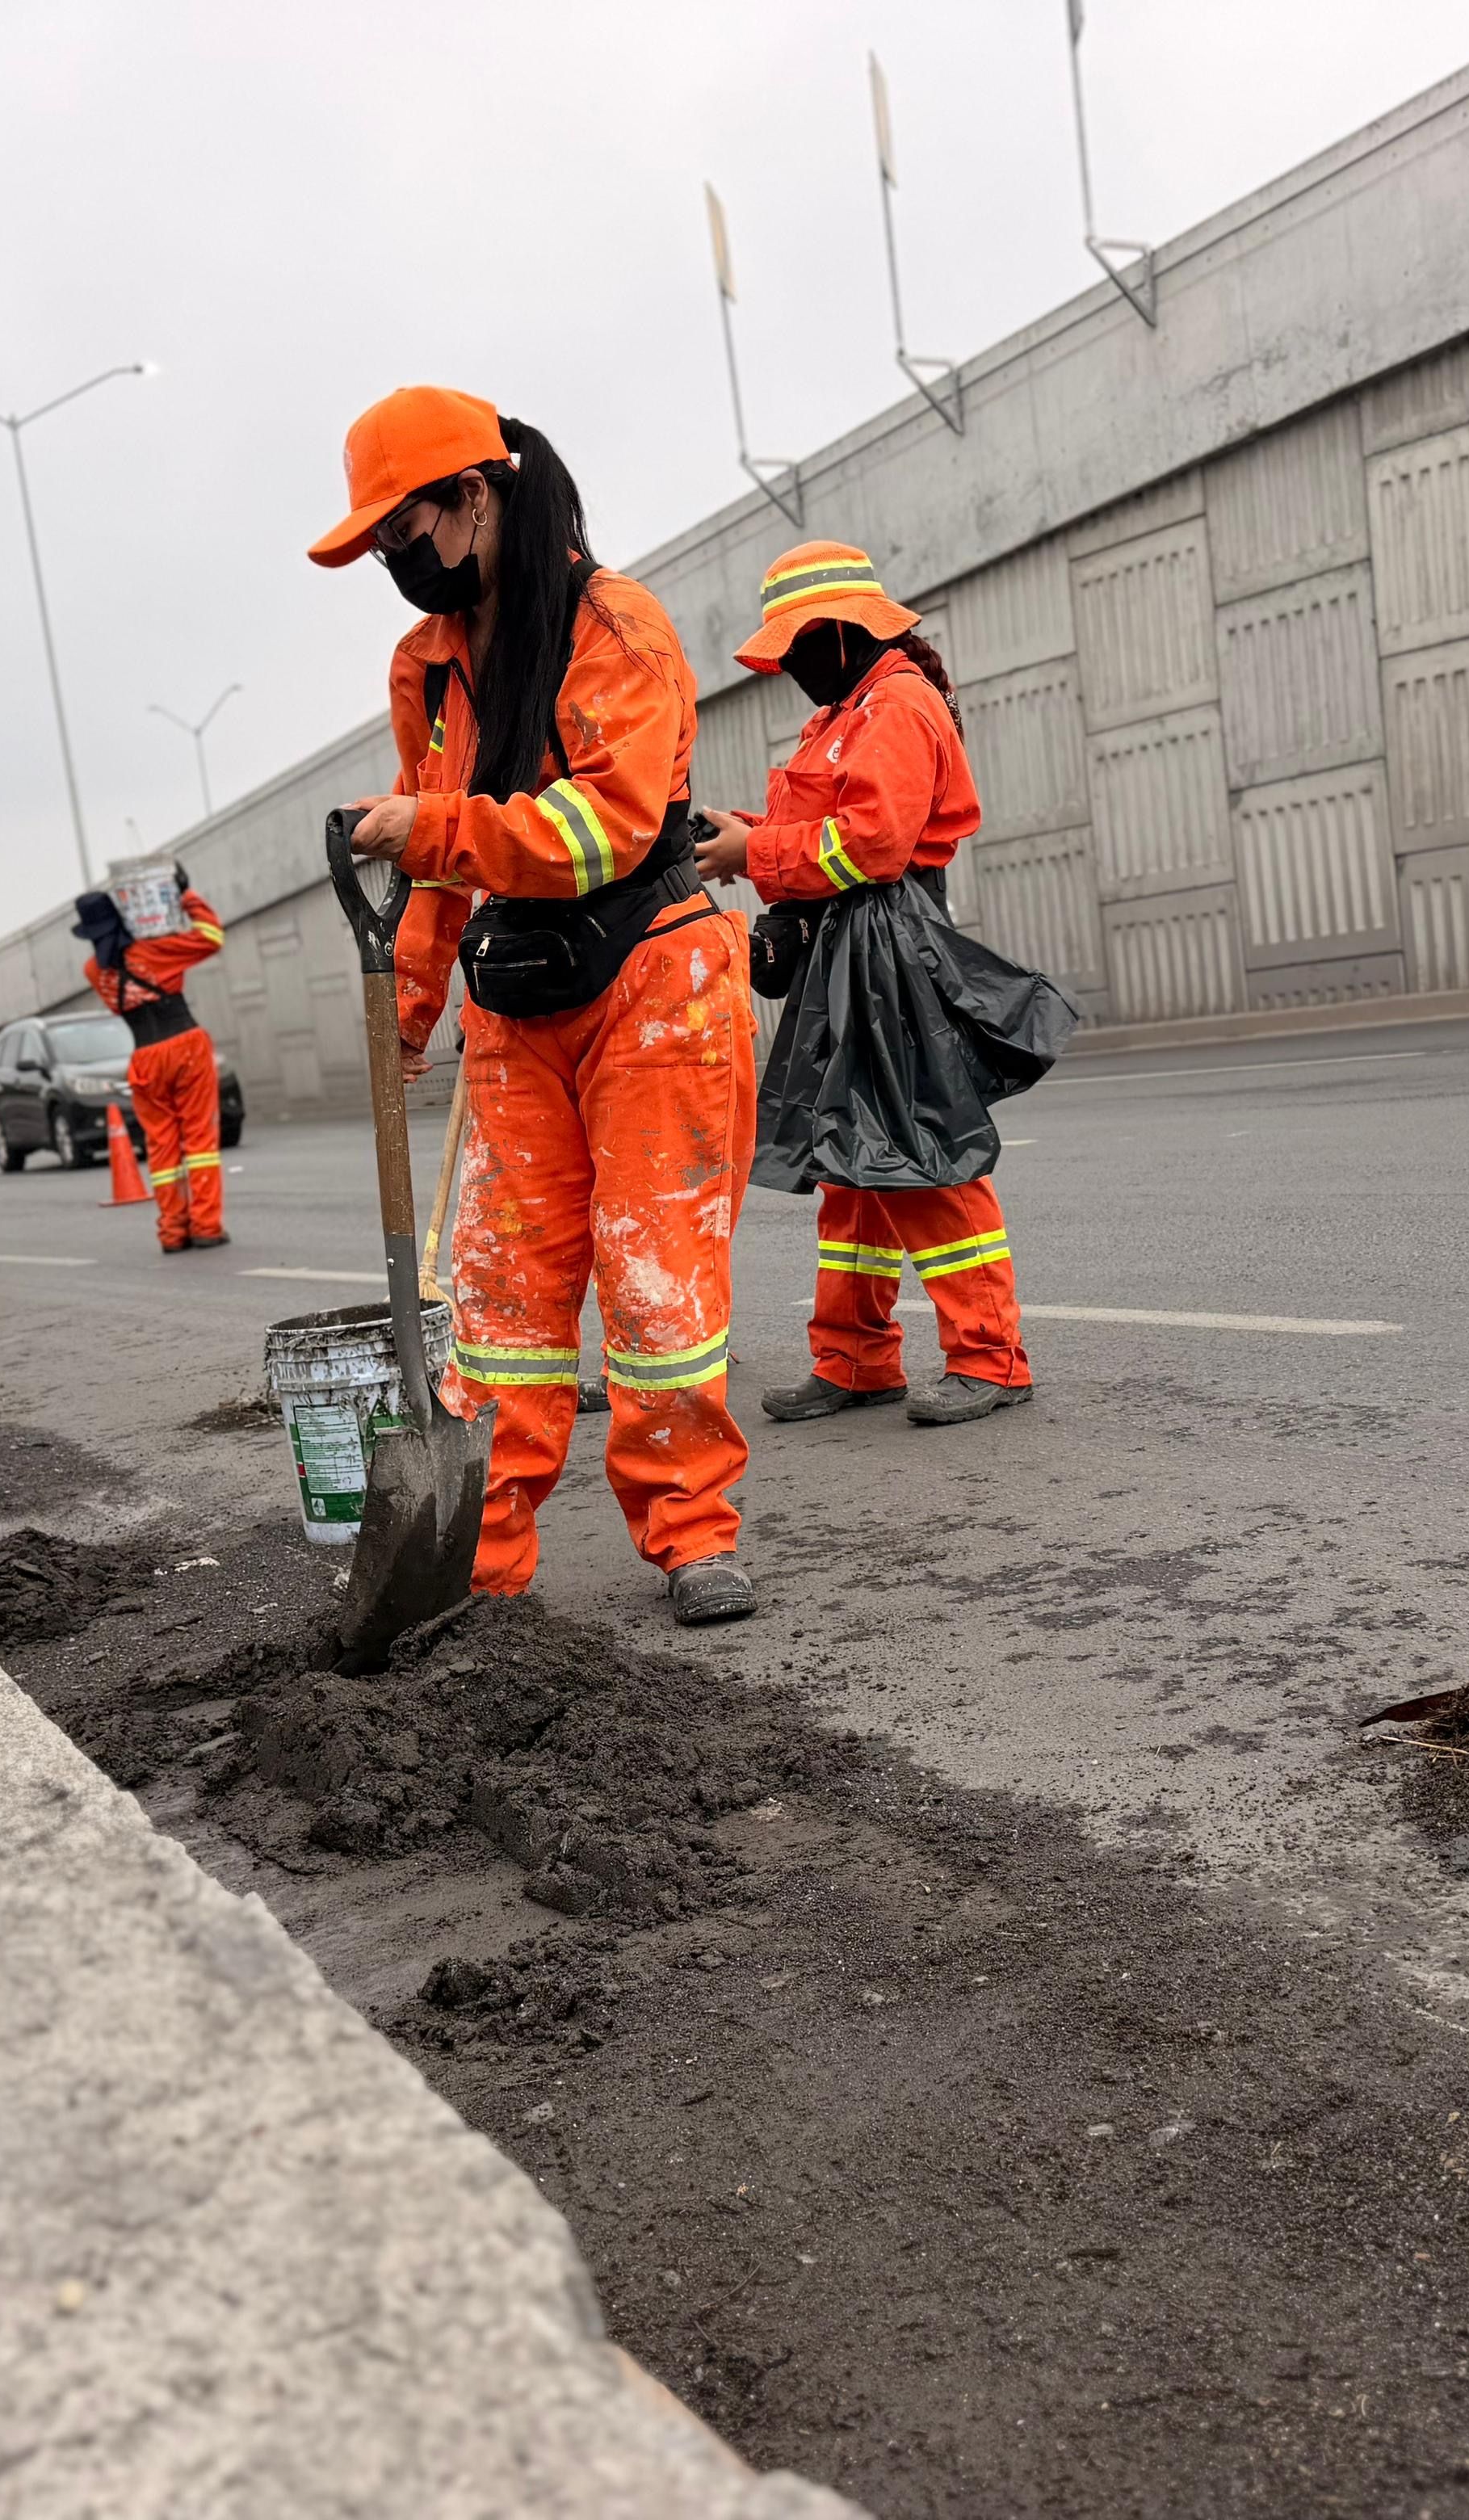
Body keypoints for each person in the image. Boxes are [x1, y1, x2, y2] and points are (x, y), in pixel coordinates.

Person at [315, 384, 757, 1627]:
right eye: (378, 553)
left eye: (404, 537)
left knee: (656, 1281)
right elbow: (431, 868)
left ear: (475, 498)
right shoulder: (429, 666)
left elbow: (606, 827)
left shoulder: (613, 626)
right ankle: (478, 1560)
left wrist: (437, 829)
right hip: (514, 999)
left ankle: (691, 1532)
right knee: (500, 1301)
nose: (397, 568)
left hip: (653, 984)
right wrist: (406, 1009)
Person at [695, 540, 1034, 1426]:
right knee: (849, 1161)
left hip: (887, 942)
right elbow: (819, 825)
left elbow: (871, 845)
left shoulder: (896, 705)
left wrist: (753, 853)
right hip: (849, 948)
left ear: (841, 632)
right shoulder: (848, 710)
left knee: (925, 1155)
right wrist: (744, 836)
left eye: (799, 644)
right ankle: (852, 1360)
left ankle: (990, 1359)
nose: (791, 665)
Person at [72, 874, 229, 1250]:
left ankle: (172, 1231)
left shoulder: (94, 971)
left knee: (161, 1145)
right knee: (199, 1139)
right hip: (184, 1046)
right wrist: (185, 894)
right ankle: (206, 1226)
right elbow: (211, 936)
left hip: (143, 1058)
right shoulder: (152, 951)